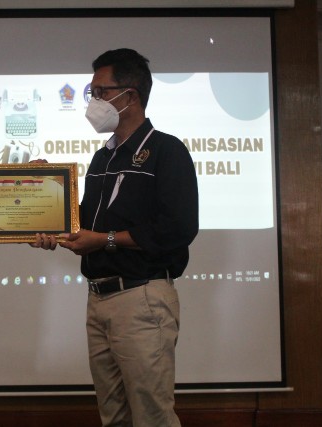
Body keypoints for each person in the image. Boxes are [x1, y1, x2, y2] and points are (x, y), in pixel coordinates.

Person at [34, 48, 199, 426]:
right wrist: (43, 191)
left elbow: (178, 228)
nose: (93, 102)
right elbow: (84, 221)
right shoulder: (102, 157)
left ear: (130, 96)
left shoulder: (167, 150)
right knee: (114, 416)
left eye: (100, 92)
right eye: (91, 93)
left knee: (152, 416)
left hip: (142, 297)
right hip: (99, 299)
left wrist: (105, 240)